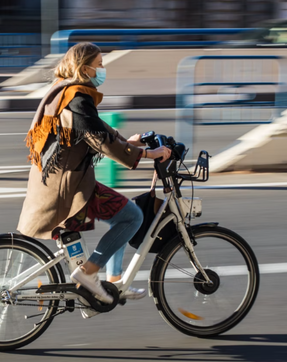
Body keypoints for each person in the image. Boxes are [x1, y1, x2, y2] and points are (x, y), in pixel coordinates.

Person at [17, 42, 171, 317]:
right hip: (67, 186)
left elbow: (95, 127)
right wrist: (148, 153)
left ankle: (113, 282)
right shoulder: (77, 96)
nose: (102, 69)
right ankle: (88, 273)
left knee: (121, 218)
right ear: (84, 67)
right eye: (99, 64)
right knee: (132, 217)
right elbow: (99, 140)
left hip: (56, 180)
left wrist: (128, 141)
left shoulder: (64, 88)